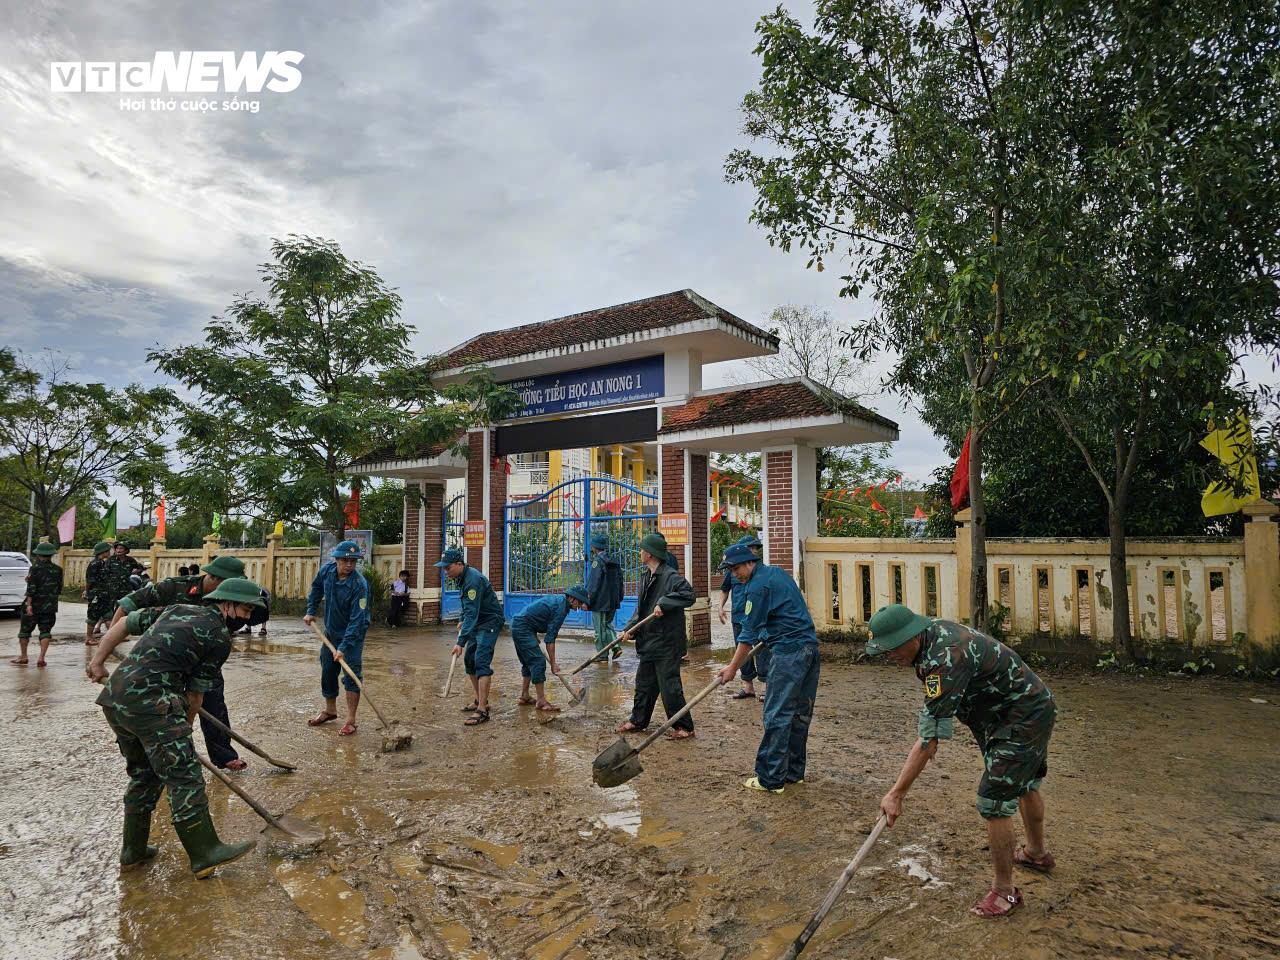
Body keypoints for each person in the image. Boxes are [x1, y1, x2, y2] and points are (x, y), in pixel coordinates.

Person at [865, 603, 1058, 918]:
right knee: (1024, 783)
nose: (889, 656)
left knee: (994, 799)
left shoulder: (945, 658)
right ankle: (1036, 853)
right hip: (1008, 714)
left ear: (909, 636)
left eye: (891, 649)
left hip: (1022, 717)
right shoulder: (930, 638)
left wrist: (897, 792)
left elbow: (928, 740)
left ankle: (1004, 892)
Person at [86, 577, 265, 878]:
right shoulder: (219, 638)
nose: (247, 618)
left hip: (116, 698)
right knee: (185, 777)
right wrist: (183, 733)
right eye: (245, 610)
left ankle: (133, 851)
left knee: (144, 774)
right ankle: (205, 852)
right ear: (227, 602)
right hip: (152, 705)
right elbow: (195, 696)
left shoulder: (176, 609)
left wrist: (98, 660)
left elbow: (125, 624)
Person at [112, 555, 259, 770]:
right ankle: (155, 753)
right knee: (155, 707)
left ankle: (223, 755)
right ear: (213, 577)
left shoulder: (233, 599)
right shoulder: (175, 587)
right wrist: (114, 637)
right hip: (166, 661)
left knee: (214, 701)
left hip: (203, 658)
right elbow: (129, 603)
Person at [717, 543, 820, 794]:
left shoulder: (757, 588)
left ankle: (770, 779)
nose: (734, 574)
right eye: (730, 570)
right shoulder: (776, 573)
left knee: (776, 714)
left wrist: (732, 668)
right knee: (798, 714)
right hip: (809, 649)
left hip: (789, 654)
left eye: (736, 568)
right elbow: (780, 615)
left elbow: (747, 635)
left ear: (750, 562)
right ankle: (794, 774)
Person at [616, 532, 696, 740]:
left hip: (667, 642)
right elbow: (641, 610)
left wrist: (665, 603)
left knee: (669, 686)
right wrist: (630, 629)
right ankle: (638, 720)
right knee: (644, 684)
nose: (640, 552)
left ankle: (684, 726)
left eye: (642, 549)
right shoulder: (645, 576)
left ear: (650, 554)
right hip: (649, 640)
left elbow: (689, 596)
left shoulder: (671, 577)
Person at [304, 540, 371, 737]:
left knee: (351, 675)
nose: (349, 565)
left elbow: (357, 620)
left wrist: (344, 647)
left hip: (352, 635)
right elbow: (316, 589)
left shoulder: (359, 585)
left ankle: (351, 720)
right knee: (327, 669)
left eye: (353, 561)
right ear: (336, 559)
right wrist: (310, 611)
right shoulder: (327, 571)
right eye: (345, 560)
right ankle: (330, 710)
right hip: (331, 632)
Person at [435, 547, 504, 727]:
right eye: (443, 568)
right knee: (470, 662)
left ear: (459, 564)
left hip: (489, 622)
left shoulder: (472, 580)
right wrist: (461, 618)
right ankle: (480, 699)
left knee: (481, 662)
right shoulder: (461, 577)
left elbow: (472, 613)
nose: (445, 571)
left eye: (447, 567)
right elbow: (467, 606)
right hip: (476, 621)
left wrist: (460, 642)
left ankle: (482, 710)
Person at [511, 584, 589, 712]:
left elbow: (534, 614)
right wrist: (553, 663)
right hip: (523, 627)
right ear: (572, 599)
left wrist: (532, 632)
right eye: (579, 603)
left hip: (520, 624)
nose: (579, 606)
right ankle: (541, 701)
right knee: (537, 661)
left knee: (528, 662)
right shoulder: (561, 609)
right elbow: (550, 639)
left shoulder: (560, 601)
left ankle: (524, 696)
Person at [717, 534, 766, 700]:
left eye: (755, 549)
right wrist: (720, 607)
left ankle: (766, 686)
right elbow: (725, 589)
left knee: (762, 650)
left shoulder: (761, 571)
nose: (754, 552)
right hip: (738, 616)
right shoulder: (733, 571)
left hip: (757, 618)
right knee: (741, 649)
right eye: (751, 548)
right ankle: (748, 686)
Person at [11, 542, 62, 668]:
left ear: (39, 555)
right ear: (51, 555)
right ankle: (41, 658)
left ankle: (24, 656)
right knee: (45, 631)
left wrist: (29, 605)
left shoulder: (34, 568)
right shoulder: (58, 570)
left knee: (25, 631)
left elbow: (31, 589)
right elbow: (59, 589)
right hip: (50, 606)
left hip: (34, 605)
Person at [585, 534, 623, 660]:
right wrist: (619, 597)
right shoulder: (614, 561)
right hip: (613, 601)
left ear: (594, 547)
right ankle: (615, 646)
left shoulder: (597, 562)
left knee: (599, 630)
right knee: (607, 625)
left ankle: (602, 655)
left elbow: (593, 584)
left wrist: (587, 601)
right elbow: (621, 581)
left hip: (600, 602)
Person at [83, 540, 113, 645]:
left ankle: (111, 638)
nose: (109, 552)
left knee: (108, 615)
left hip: (104, 594)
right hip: (96, 594)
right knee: (93, 616)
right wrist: (87, 592)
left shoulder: (103, 563)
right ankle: (89, 638)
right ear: (103, 552)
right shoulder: (94, 564)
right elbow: (89, 581)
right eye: (108, 550)